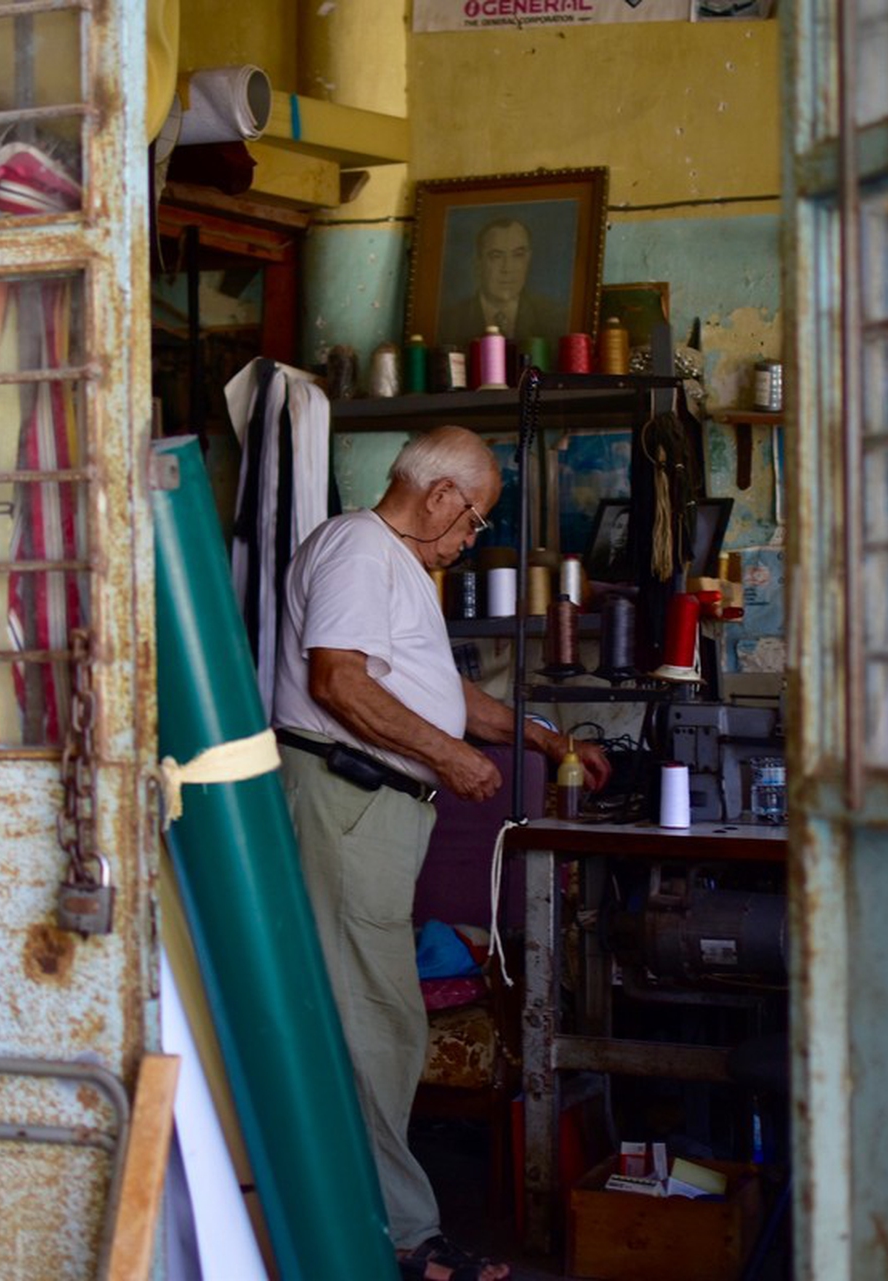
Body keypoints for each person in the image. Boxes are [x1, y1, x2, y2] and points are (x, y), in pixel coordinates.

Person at [272, 426, 609, 1281]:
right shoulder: (358, 548)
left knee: (380, 1017)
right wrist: (455, 757)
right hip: (349, 800)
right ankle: (398, 1236)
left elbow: (439, 687)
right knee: (374, 1024)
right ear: (441, 497)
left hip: (375, 811)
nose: (472, 538)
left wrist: (529, 735)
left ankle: (375, 1223)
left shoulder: (396, 563)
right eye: (476, 521)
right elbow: (338, 681)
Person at [437, 218, 563, 350]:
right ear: (478, 263)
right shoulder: (448, 323)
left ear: (528, 260)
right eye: (496, 256)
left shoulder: (553, 318)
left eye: (518, 255)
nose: (507, 268)